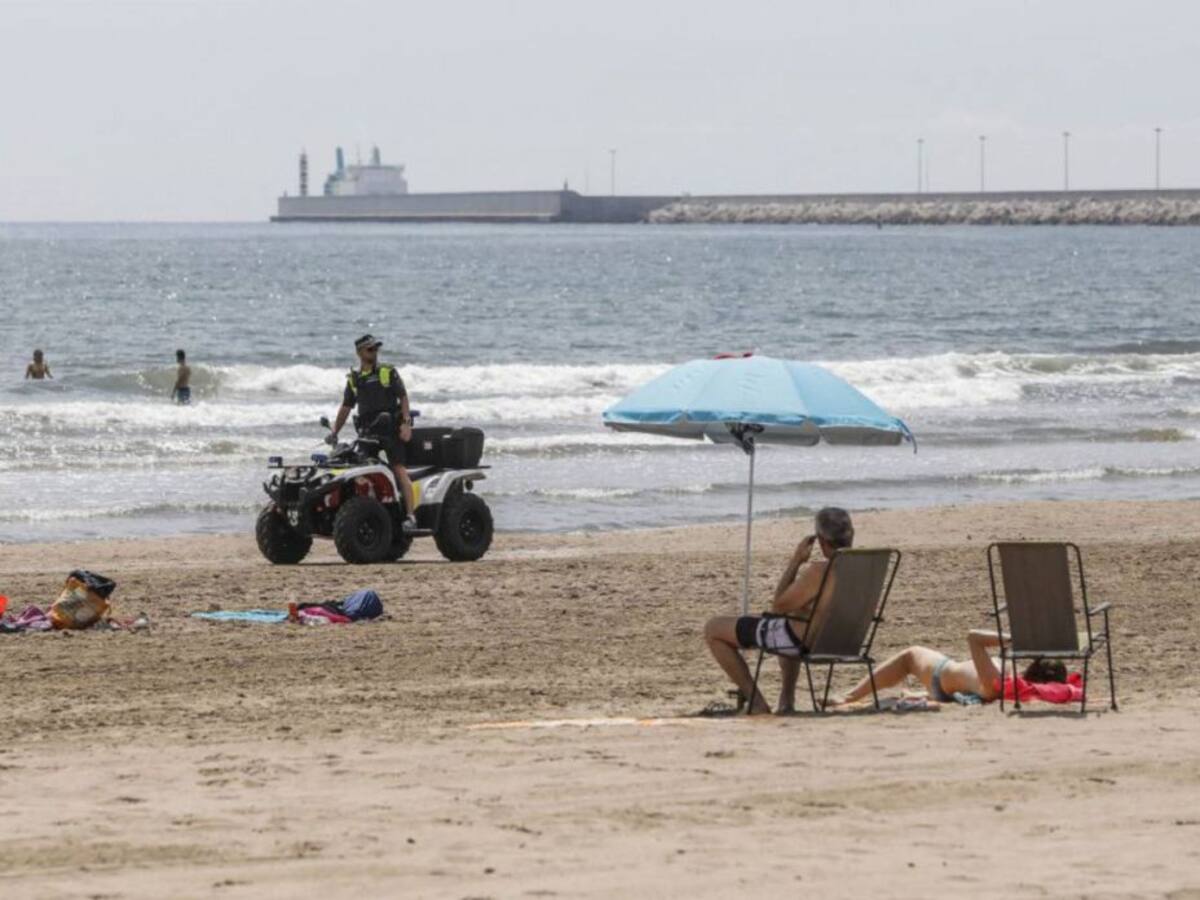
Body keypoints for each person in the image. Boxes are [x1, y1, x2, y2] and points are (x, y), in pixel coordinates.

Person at [704, 507, 856, 714]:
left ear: (821, 540)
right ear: (851, 534)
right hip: (847, 641)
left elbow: (778, 605)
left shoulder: (820, 572)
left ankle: (756, 701)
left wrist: (796, 561)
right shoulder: (868, 567)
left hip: (804, 643)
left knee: (713, 629)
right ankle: (786, 700)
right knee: (794, 616)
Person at [828, 630, 1069, 706]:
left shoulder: (997, 679)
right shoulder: (1004, 687)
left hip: (940, 675)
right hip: (949, 691)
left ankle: (849, 697)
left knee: (910, 655)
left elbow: (973, 637)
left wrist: (1015, 638)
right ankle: (917, 695)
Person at [330, 334, 416, 532]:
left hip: (390, 431)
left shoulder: (388, 372)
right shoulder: (354, 379)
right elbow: (346, 407)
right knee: (360, 471)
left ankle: (411, 516)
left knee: (398, 469)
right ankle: (372, 513)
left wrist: (406, 424)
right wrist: (335, 431)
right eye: (370, 349)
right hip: (367, 434)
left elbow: (403, 398)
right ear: (359, 353)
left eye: (376, 348)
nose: (374, 352)